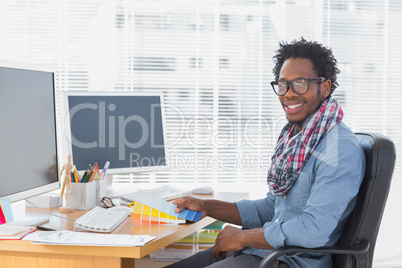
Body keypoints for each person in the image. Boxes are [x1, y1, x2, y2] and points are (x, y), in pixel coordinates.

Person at [164, 38, 365, 268]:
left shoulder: (339, 149)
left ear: (325, 87)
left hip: (289, 262)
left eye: (300, 83)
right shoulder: (297, 139)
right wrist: (207, 207)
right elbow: (273, 208)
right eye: (282, 84)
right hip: (261, 253)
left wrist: (242, 237)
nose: (288, 94)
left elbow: (314, 230)